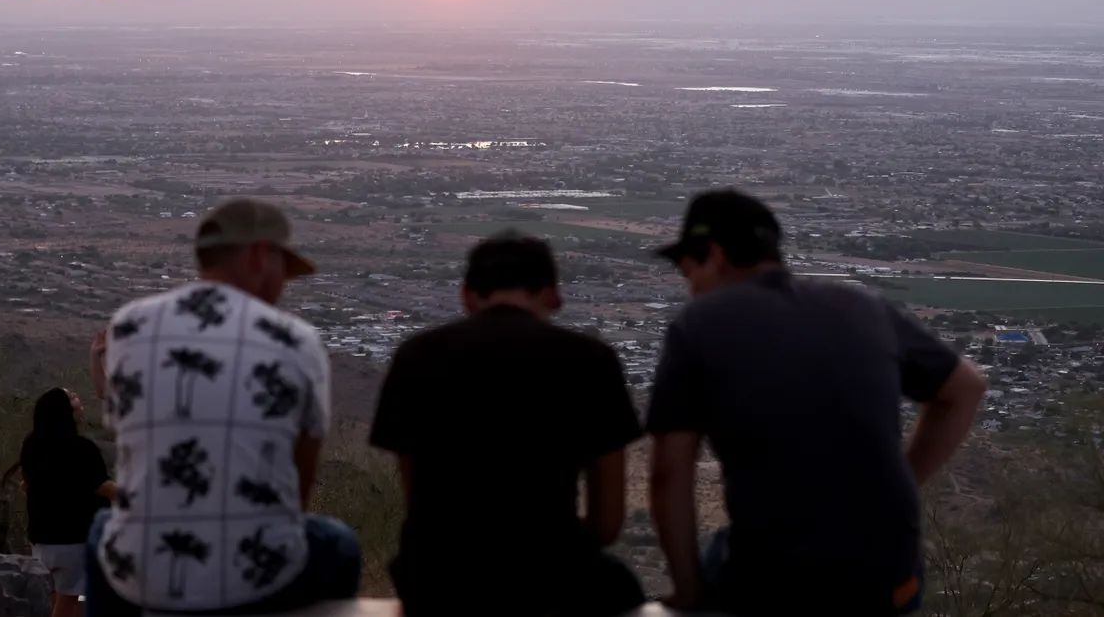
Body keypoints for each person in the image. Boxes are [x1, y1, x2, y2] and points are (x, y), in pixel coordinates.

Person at [645, 189, 988, 617]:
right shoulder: (863, 305)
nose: (689, 287)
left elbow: (668, 473)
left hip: (785, 580)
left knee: (721, 557)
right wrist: (900, 481)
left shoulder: (700, 324)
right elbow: (966, 388)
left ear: (714, 256)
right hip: (889, 578)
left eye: (687, 270)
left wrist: (688, 590)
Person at [85, 198, 361, 617]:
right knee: (337, 542)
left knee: (102, 530)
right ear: (257, 255)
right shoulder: (297, 340)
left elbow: (131, 449)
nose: (283, 284)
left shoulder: (129, 325)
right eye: (282, 269)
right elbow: (298, 485)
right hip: (256, 583)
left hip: (142, 576)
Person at [369, 231, 647, 617]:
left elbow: (420, 505)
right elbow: (607, 522)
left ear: (466, 295)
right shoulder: (590, 361)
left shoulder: (417, 356)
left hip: (438, 582)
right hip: (552, 579)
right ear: (554, 295)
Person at [3, 388, 116, 617]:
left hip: (42, 542)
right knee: (66, 605)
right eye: (73, 398)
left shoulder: (32, 445)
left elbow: (27, 484)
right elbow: (104, 487)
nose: (79, 400)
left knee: (59, 601)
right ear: (65, 411)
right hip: (73, 541)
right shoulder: (82, 449)